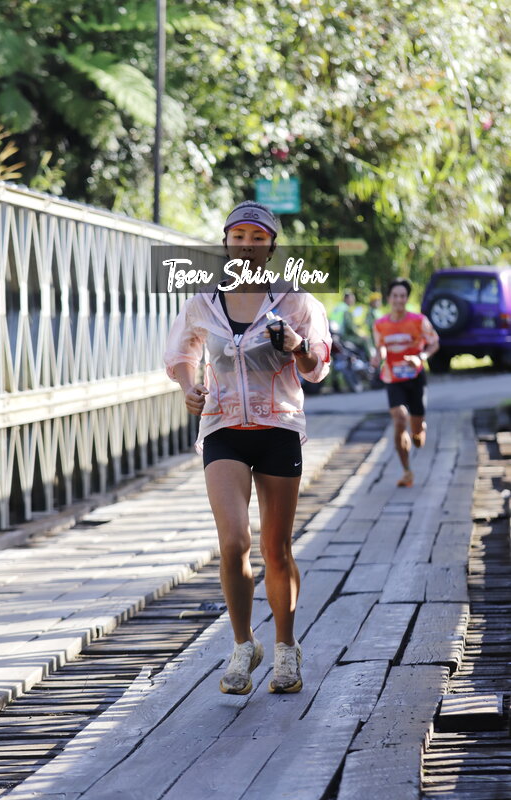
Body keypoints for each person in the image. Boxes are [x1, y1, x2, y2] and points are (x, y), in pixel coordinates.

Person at [164, 201, 331, 695]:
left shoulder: (296, 301)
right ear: (226, 243)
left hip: (278, 426)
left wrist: (298, 346)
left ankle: (285, 648)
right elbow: (181, 354)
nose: (247, 245)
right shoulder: (203, 302)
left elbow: (317, 367)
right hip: (223, 428)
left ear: (272, 246)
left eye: (258, 238)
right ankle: (243, 645)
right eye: (238, 236)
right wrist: (189, 387)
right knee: (233, 542)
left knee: (276, 549)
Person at [371, 278, 439, 487]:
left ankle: (418, 429)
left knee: (417, 435)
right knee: (400, 419)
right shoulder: (380, 324)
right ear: (389, 298)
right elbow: (381, 347)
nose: (399, 300)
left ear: (407, 298)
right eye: (395, 296)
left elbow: (434, 343)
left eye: (402, 296)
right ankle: (407, 471)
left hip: (415, 377)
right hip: (393, 378)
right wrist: (378, 357)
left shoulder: (419, 321)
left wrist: (421, 357)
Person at [331, 289, 371, 359]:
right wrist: (360, 335)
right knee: (365, 339)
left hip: (334, 335)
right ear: (346, 299)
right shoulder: (346, 310)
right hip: (344, 336)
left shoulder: (337, 307)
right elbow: (350, 327)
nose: (353, 300)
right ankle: (371, 360)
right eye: (352, 298)